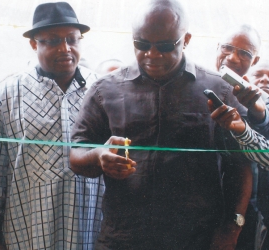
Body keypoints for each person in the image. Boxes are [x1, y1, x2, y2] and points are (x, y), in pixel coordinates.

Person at [70, 0, 254, 249]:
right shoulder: (105, 89)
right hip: (123, 238)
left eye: (166, 46)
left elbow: (240, 164)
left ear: (186, 39)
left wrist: (231, 229)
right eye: (142, 44)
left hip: (197, 239)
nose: (152, 55)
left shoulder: (219, 90)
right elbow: (76, 153)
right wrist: (99, 155)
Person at [0, 2, 104, 249]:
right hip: (29, 235)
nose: (65, 48)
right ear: (34, 44)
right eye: (53, 40)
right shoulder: (6, 94)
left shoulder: (102, 91)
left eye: (72, 39)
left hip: (91, 232)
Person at [215, 24, 266, 250]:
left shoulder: (260, 100)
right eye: (227, 48)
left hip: (249, 213)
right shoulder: (196, 86)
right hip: (200, 207)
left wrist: (258, 114)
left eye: (244, 53)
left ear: (254, 60)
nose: (233, 57)